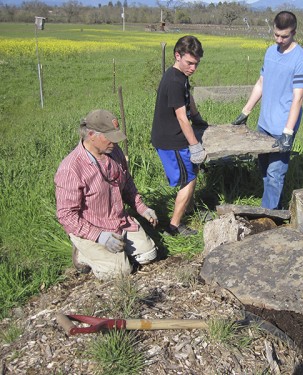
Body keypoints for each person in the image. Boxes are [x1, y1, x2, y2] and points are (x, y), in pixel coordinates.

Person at [55, 109, 158, 280]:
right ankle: (82, 253)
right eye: (109, 137)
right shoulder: (71, 168)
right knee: (121, 271)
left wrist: (142, 208)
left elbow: (128, 186)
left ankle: (116, 251)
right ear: (91, 135)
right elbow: (66, 215)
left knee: (148, 254)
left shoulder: (114, 152)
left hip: (118, 221)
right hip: (91, 227)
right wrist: (99, 236)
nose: (114, 142)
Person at [231, 11, 303, 210]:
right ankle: (274, 206)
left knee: (276, 173)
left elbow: (298, 98)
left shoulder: (301, 59)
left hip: (283, 125)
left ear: (294, 32)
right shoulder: (270, 52)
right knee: (264, 169)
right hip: (264, 122)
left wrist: (287, 133)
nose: (279, 40)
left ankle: (267, 215)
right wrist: (245, 112)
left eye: (284, 36)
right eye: (276, 35)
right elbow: (261, 83)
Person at [151, 35, 208, 236]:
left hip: (174, 135)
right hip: (170, 140)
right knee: (189, 179)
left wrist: (198, 117)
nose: (193, 68)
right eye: (190, 63)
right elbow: (182, 118)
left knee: (192, 171)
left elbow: (188, 97)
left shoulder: (181, 76)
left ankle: (189, 209)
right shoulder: (174, 80)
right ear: (177, 55)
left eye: (196, 64)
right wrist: (195, 146)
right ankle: (174, 227)